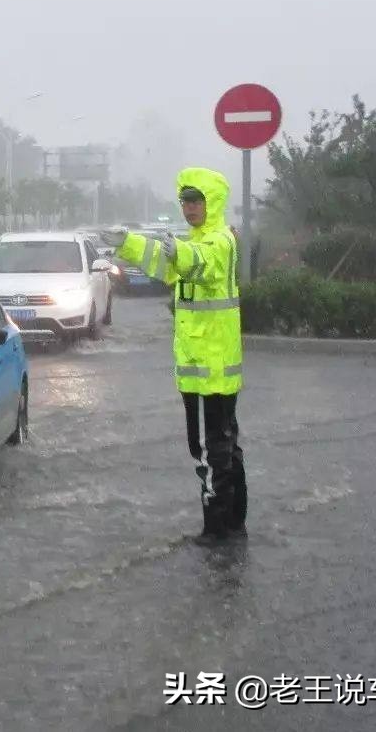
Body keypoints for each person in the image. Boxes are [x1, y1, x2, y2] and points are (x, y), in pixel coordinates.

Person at [101, 168, 245, 543]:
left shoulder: (220, 240)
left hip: (212, 367)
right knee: (225, 441)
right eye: (185, 201)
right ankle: (234, 519)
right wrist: (126, 241)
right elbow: (165, 264)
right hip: (200, 367)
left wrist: (178, 250)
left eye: (197, 201)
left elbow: (201, 263)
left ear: (211, 202)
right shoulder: (197, 239)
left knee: (210, 447)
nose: (190, 207)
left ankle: (216, 527)